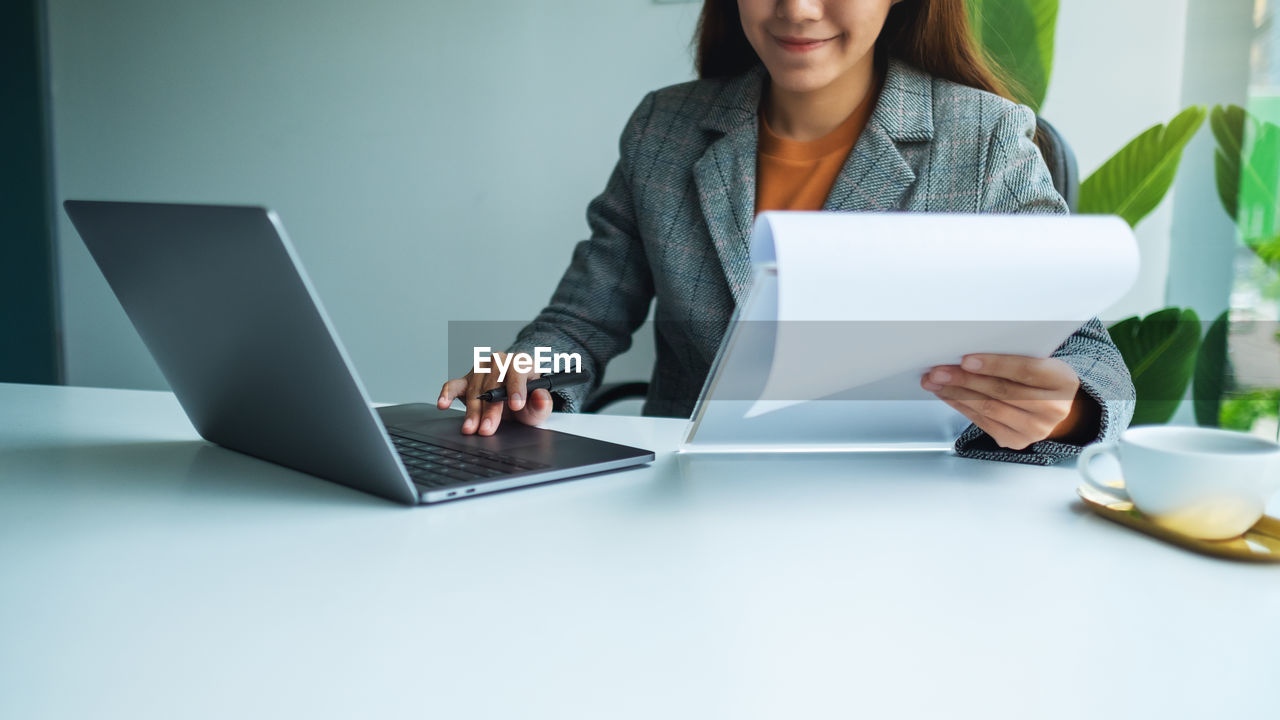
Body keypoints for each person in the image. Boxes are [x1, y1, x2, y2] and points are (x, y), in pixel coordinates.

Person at [438, 0, 1136, 466]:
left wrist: (1066, 409)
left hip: (903, 522)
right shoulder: (665, 129)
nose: (798, 9)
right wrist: (527, 371)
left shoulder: (983, 138)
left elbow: (1091, 358)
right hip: (691, 509)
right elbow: (578, 327)